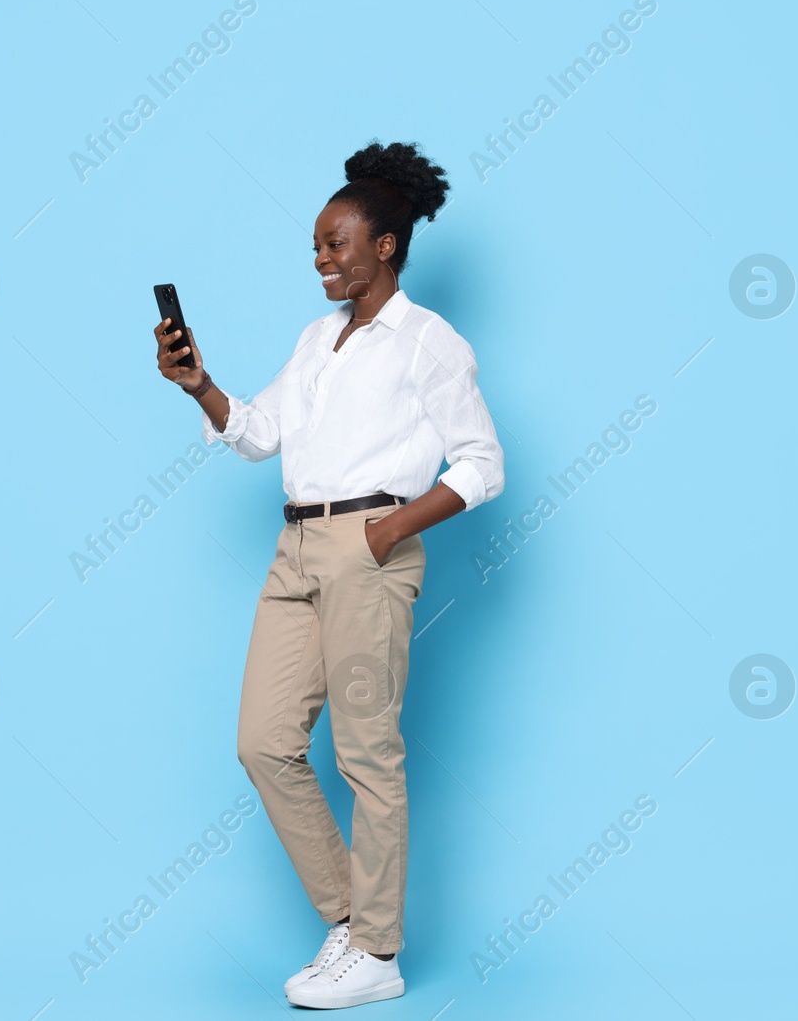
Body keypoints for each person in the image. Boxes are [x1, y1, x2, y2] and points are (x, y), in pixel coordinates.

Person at [152, 140, 504, 1009]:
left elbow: (483, 462)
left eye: (336, 243)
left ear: (385, 245)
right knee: (264, 742)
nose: (321, 259)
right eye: (315, 245)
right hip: (296, 550)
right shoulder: (318, 339)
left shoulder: (429, 342)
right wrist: (200, 385)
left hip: (369, 549)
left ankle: (377, 951)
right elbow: (261, 430)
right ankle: (355, 921)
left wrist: (389, 532)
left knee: (365, 754)